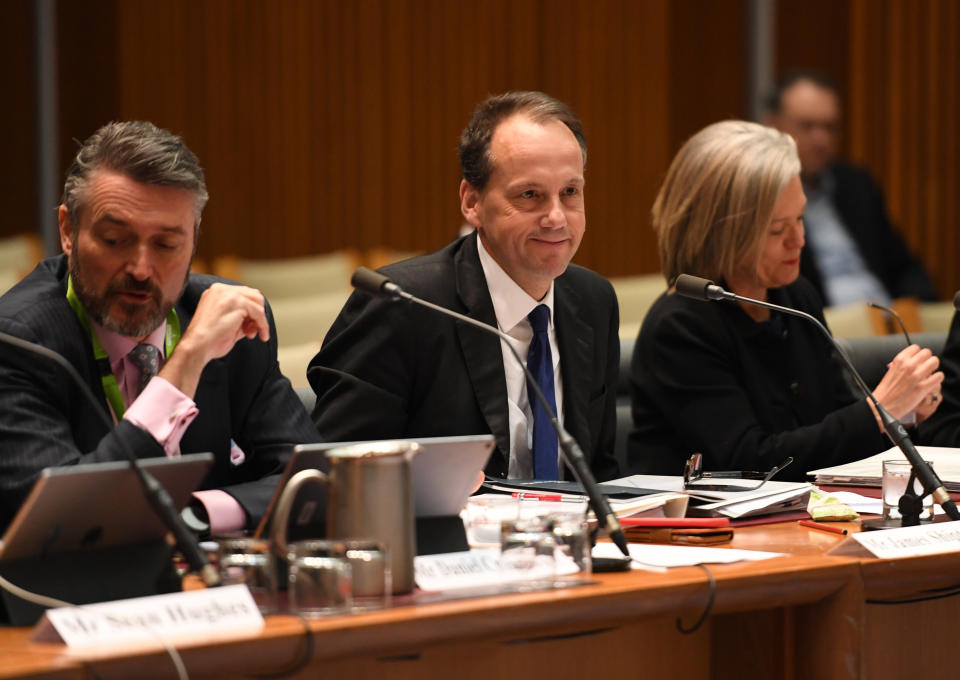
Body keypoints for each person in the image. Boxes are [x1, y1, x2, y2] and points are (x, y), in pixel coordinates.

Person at [0, 121, 320, 533]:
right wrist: (186, 361)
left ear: (194, 238)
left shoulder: (227, 321)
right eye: (115, 240)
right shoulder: (17, 342)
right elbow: (64, 523)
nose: (141, 269)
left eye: (167, 245)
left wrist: (196, 513)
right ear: (68, 230)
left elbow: (312, 482)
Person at [308, 91, 620, 482]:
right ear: (472, 202)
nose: (556, 217)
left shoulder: (593, 301)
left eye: (570, 192)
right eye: (530, 195)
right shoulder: (404, 305)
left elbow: (601, 473)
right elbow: (337, 473)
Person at [627, 120, 943, 479]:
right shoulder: (681, 326)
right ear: (722, 233)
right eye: (778, 229)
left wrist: (903, 414)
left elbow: (835, 423)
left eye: (800, 219)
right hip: (700, 530)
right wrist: (878, 412)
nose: (799, 240)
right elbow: (751, 462)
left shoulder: (796, 297)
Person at [766, 70, 937, 306]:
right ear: (774, 126)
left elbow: (903, 266)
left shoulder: (856, 184)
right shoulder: (765, 198)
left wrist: (917, 308)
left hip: (886, 320)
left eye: (829, 127)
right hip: (825, 324)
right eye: (807, 126)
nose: (821, 139)